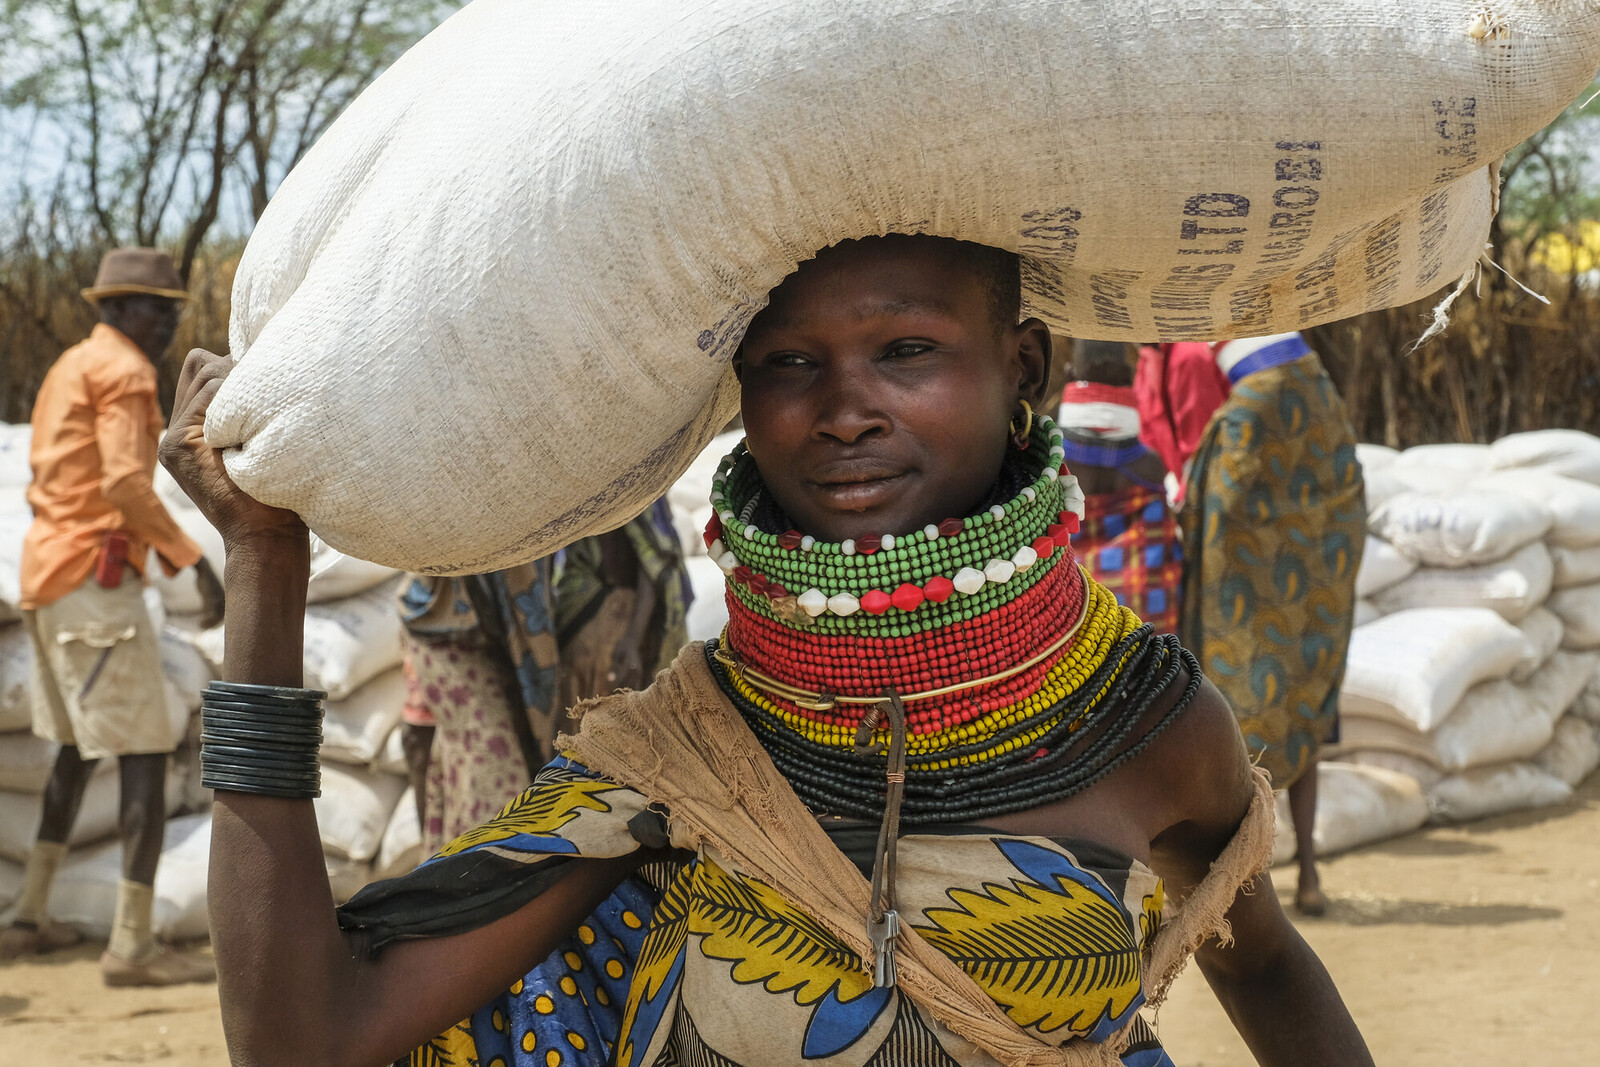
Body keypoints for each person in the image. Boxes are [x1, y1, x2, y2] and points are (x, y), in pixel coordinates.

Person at [162, 235, 1372, 1066]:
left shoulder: (1141, 721)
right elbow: (305, 1039)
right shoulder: (685, 759)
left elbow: (1261, 960)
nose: (845, 407)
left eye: (906, 349)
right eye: (790, 363)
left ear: (1023, 368)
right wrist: (267, 566)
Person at [0, 248, 222, 986]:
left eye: (169, 309)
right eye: (152, 308)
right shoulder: (125, 372)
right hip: (95, 586)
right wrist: (192, 560)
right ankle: (133, 943)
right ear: (118, 308)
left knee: (74, 749)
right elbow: (128, 482)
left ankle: (28, 916)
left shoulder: (71, 364)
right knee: (144, 751)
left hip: (47, 578)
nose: (164, 322)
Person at [1147, 332, 1366, 917]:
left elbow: (1213, 493)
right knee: (1300, 678)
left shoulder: (1195, 352)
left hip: (1262, 437)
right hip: (1310, 422)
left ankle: (1250, 882)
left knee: (1241, 691)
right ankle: (1305, 873)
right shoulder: (1306, 379)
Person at [396, 566, 562, 855]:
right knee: (489, 756)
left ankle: (453, 866)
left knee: (468, 759)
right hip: (444, 631)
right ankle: (483, 870)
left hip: (501, 626)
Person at [1061, 340, 1183, 636]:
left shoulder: (1051, 463)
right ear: (1130, 379)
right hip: (1144, 614)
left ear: (1068, 374)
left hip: (1072, 608)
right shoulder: (1152, 467)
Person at [556, 499, 691, 707]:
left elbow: (653, 566)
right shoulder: (578, 503)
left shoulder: (635, 497)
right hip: (593, 620)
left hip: (633, 625)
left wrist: (632, 639)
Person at [1131, 339, 1227, 508]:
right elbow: (1148, 438)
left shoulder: (1188, 358)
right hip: (1186, 485)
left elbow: (1204, 448)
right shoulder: (1147, 359)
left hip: (1213, 490)